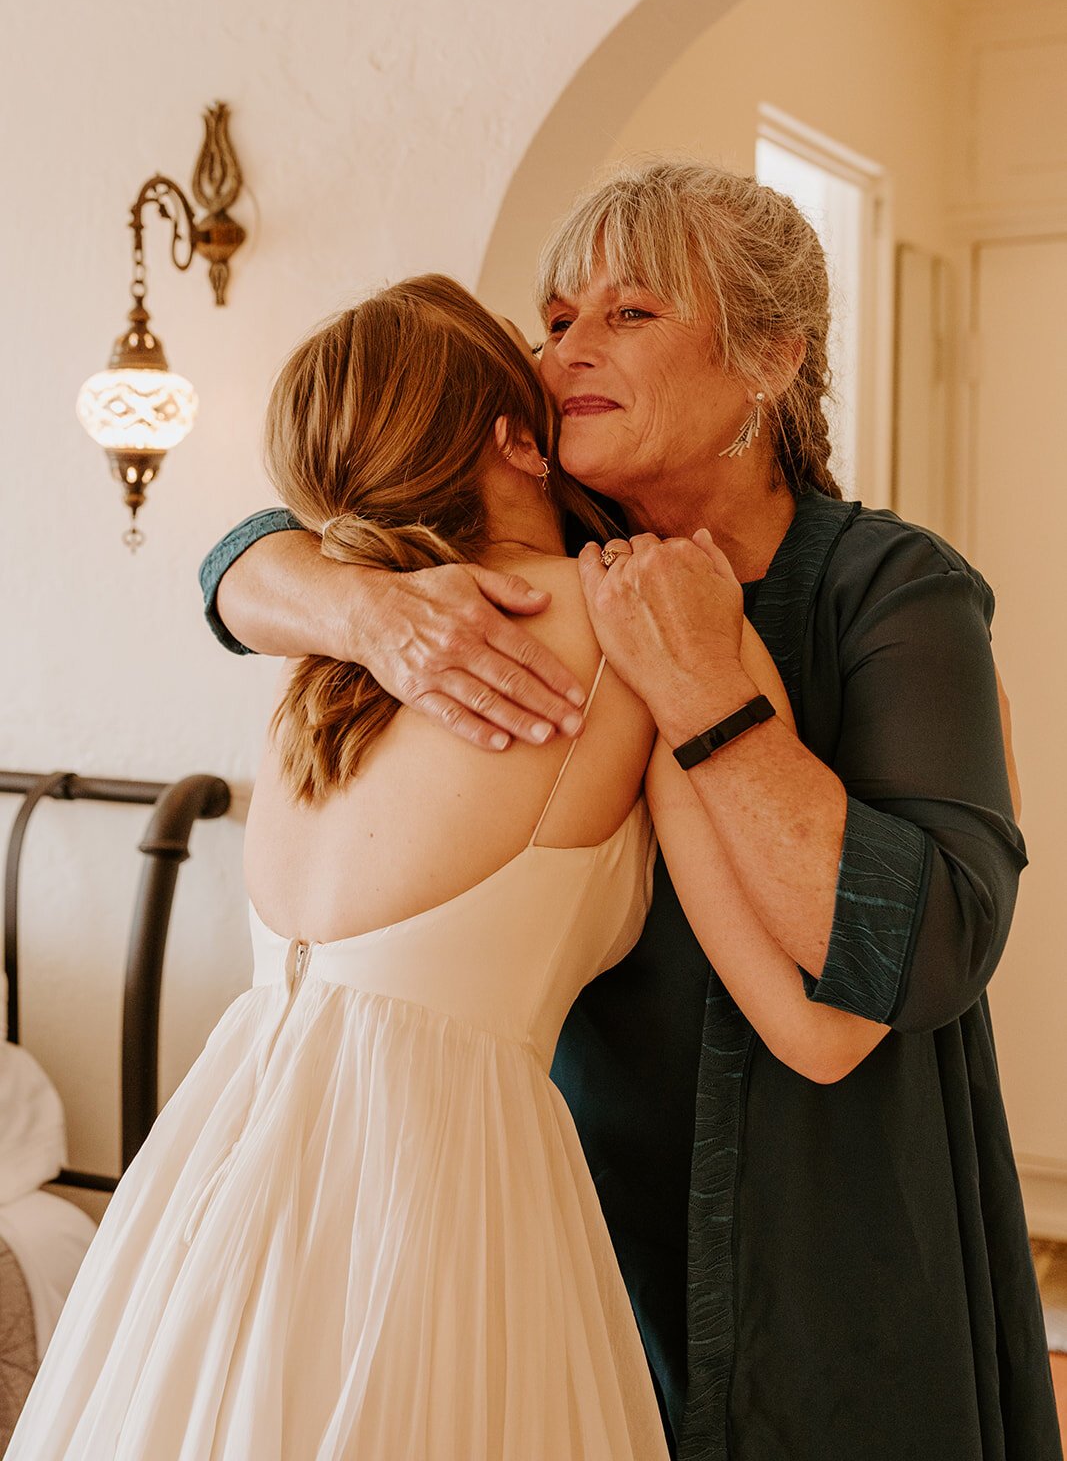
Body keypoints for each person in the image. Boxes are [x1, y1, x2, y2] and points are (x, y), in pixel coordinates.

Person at [199, 161, 1061, 1461]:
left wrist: (711, 696)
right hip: (559, 1228)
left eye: (627, 313)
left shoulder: (895, 595)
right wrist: (367, 612)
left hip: (826, 1247)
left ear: (771, 354)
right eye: (552, 322)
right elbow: (239, 556)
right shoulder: (533, 584)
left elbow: (919, 954)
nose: (564, 352)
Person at [16, 275, 802, 1459]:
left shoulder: (321, 663)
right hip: (439, 1178)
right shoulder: (630, 622)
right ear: (513, 438)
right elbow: (799, 992)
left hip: (221, 1165)